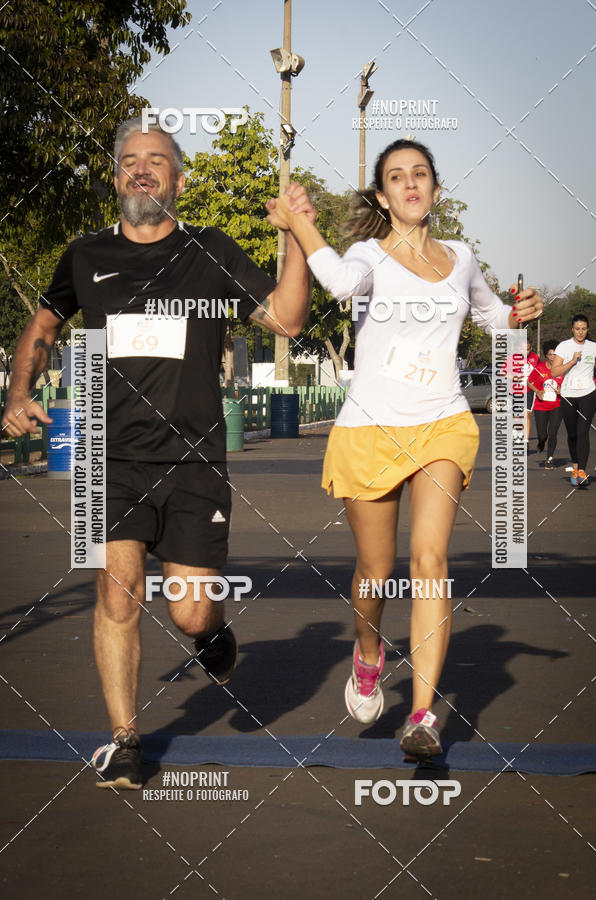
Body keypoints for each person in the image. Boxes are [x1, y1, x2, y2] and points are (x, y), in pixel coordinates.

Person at [2, 117, 315, 789]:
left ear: (178, 179)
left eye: (157, 161)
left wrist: (292, 238)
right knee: (115, 594)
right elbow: (46, 323)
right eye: (130, 161)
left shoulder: (212, 249)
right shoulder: (83, 256)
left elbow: (287, 320)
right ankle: (124, 740)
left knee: (189, 609)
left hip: (194, 462)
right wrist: (18, 390)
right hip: (105, 459)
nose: (142, 170)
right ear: (117, 178)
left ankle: (211, 636)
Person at [266, 138, 543, 758]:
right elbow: (336, 283)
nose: (411, 184)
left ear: (436, 190)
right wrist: (301, 221)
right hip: (371, 428)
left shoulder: (462, 258)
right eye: (397, 177)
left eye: (420, 174)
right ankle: (368, 653)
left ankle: (421, 715)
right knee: (377, 571)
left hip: (442, 422)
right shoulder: (368, 255)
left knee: (429, 561)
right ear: (384, 196)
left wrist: (519, 313)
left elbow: (492, 317)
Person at [551, 314, 596, 486]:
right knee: (572, 434)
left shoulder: (594, 347)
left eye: (584, 329)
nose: (580, 332)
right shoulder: (564, 347)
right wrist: (572, 361)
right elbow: (554, 372)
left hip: (588, 393)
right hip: (568, 395)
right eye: (577, 329)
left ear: (588, 329)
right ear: (572, 329)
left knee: (582, 431)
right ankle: (575, 466)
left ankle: (582, 471)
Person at [529, 340, 563, 469]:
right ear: (546, 355)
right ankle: (541, 441)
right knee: (542, 435)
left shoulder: (562, 369)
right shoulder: (539, 368)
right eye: (550, 355)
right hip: (541, 405)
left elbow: (567, 385)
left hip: (557, 405)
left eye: (556, 355)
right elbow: (529, 382)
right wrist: (537, 391)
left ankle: (549, 459)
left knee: (553, 432)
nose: (553, 357)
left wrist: (562, 390)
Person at [524, 338, 540, 443]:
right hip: (515, 390)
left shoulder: (535, 357)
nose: (525, 352)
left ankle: (525, 440)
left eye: (527, 349)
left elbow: (539, 372)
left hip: (529, 390)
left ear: (531, 348)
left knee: (526, 414)